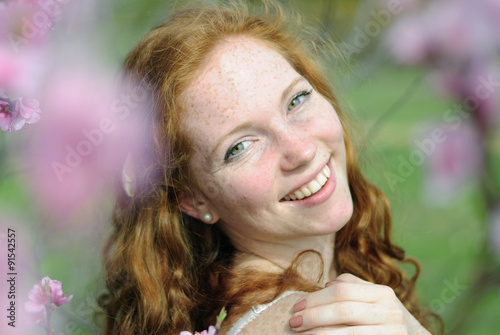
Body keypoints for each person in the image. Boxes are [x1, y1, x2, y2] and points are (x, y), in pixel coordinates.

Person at [98, 1, 442, 334]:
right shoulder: (317, 327)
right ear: (194, 199)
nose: (302, 149)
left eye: (296, 100)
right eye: (240, 147)